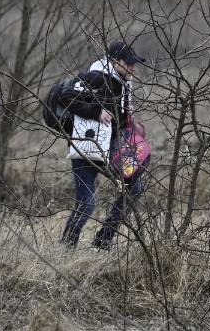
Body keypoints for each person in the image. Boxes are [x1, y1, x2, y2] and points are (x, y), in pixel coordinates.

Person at [59, 41, 148, 250]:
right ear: (115, 62)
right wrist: (97, 113)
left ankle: (103, 240)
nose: (133, 68)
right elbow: (66, 97)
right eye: (129, 63)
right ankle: (66, 247)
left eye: (135, 64)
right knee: (87, 204)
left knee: (133, 189)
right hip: (87, 148)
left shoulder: (125, 82)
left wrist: (131, 123)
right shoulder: (97, 77)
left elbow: (120, 114)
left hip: (115, 146)